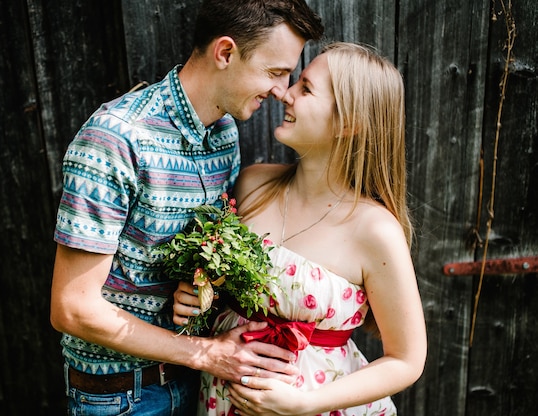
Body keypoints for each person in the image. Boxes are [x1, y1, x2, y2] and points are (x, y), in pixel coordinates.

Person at [49, 1, 324, 415]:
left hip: (197, 386)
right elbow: (73, 309)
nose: (282, 91)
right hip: (122, 397)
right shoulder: (117, 140)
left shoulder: (224, 134)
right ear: (226, 53)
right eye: (275, 72)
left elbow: (198, 254)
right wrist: (206, 354)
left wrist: (199, 289)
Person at [173, 42, 427, 416]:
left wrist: (304, 404)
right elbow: (224, 286)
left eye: (305, 88)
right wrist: (197, 298)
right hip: (223, 399)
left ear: (349, 123)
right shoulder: (253, 185)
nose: (284, 93)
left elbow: (406, 360)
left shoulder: (375, 230)